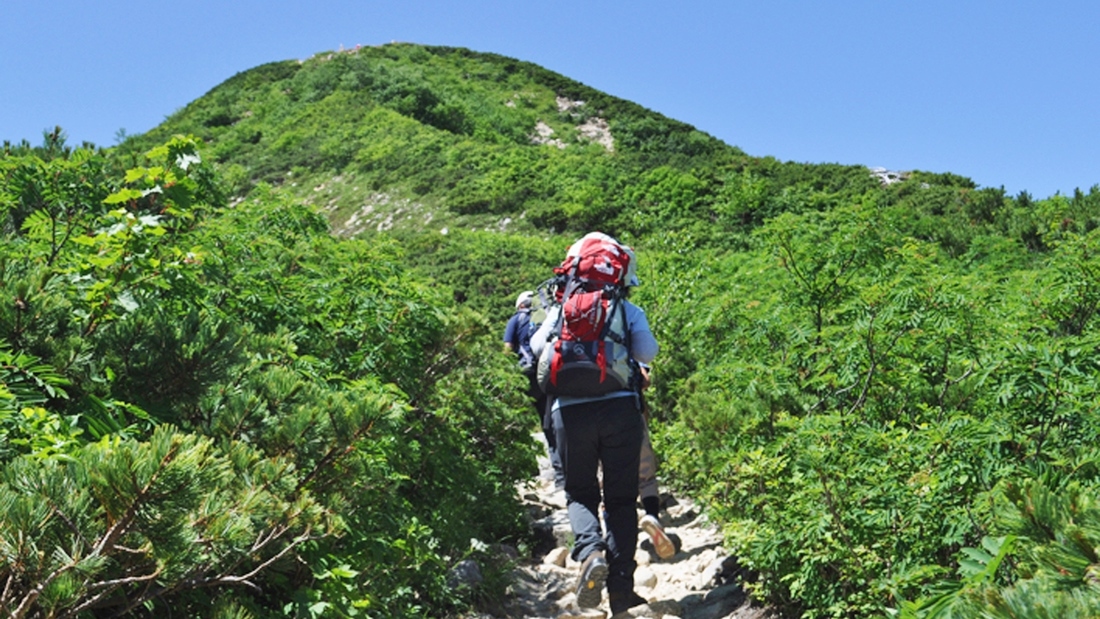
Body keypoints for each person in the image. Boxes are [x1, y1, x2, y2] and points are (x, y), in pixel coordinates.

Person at [531, 233, 657, 615]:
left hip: (569, 413)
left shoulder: (564, 305)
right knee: (620, 500)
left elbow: (538, 347)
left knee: (580, 493)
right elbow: (647, 352)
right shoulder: (626, 309)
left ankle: (590, 553)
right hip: (620, 410)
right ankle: (622, 593)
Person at [504, 291, 559, 485]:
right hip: (552, 370)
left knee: (546, 421)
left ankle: (558, 472)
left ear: (520, 305)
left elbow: (508, 349)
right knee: (558, 416)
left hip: (530, 376)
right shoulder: (547, 316)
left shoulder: (515, 320)